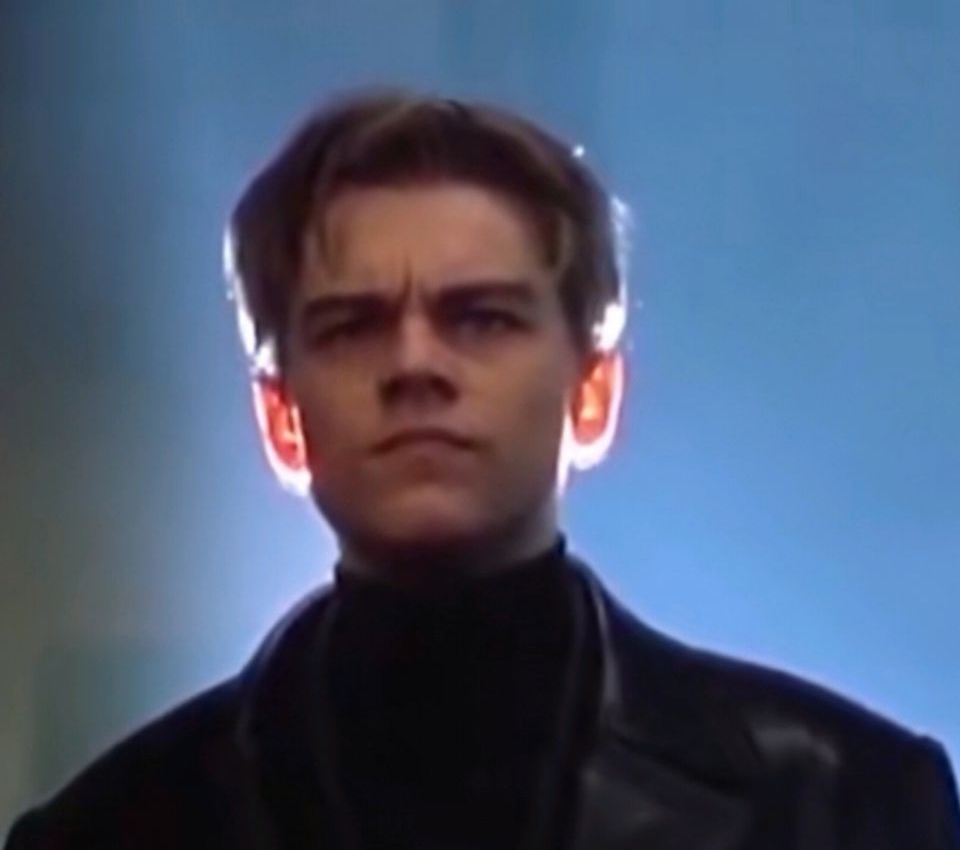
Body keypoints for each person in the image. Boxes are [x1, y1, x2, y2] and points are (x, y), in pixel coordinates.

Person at [5, 89, 959, 850]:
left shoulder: (846, 805)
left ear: (592, 391)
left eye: (482, 319)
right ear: (280, 416)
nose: (415, 365)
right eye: (351, 326)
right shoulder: (112, 830)